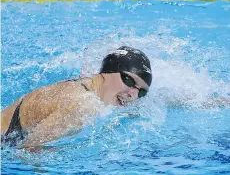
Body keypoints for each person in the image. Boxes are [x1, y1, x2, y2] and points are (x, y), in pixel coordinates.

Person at [1, 46, 152, 148]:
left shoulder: (86, 84)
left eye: (141, 92)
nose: (133, 94)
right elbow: (29, 148)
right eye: (129, 80)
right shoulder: (82, 105)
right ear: (108, 72)